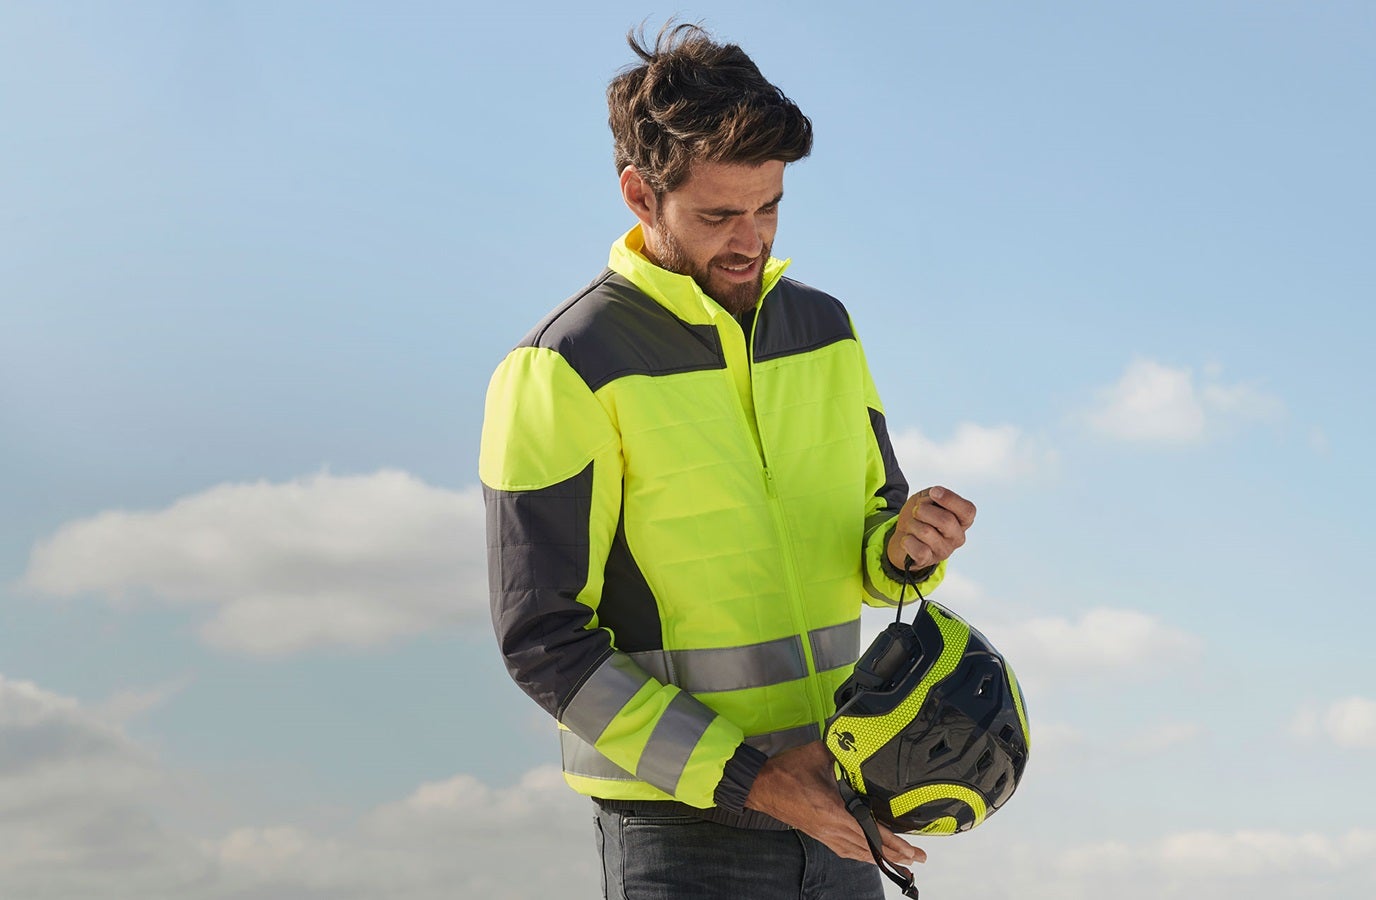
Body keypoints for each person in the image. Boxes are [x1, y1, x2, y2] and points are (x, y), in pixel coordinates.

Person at [479, 22, 976, 900]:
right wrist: (752, 778)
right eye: (717, 216)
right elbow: (542, 638)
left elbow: (872, 529)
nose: (751, 241)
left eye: (769, 207)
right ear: (640, 196)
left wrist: (904, 546)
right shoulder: (562, 368)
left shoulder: (825, 329)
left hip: (839, 802)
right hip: (682, 834)